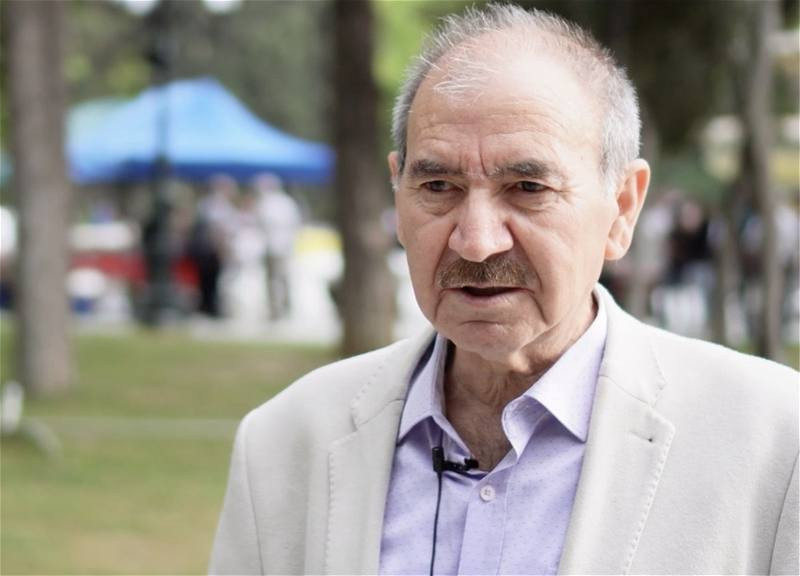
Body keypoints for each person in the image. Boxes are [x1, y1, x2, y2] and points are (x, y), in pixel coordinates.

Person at [209, 5, 798, 575]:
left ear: (621, 208)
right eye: (438, 186)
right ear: (398, 194)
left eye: (528, 188)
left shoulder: (773, 442)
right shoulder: (286, 442)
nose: (476, 242)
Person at [253, 173, 302, 321]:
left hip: (275, 246)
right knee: (282, 278)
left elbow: (261, 224)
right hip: (282, 246)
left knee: (276, 279)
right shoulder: (287, 202)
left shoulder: (267, 203)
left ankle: (278, 310)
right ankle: (282, 309)